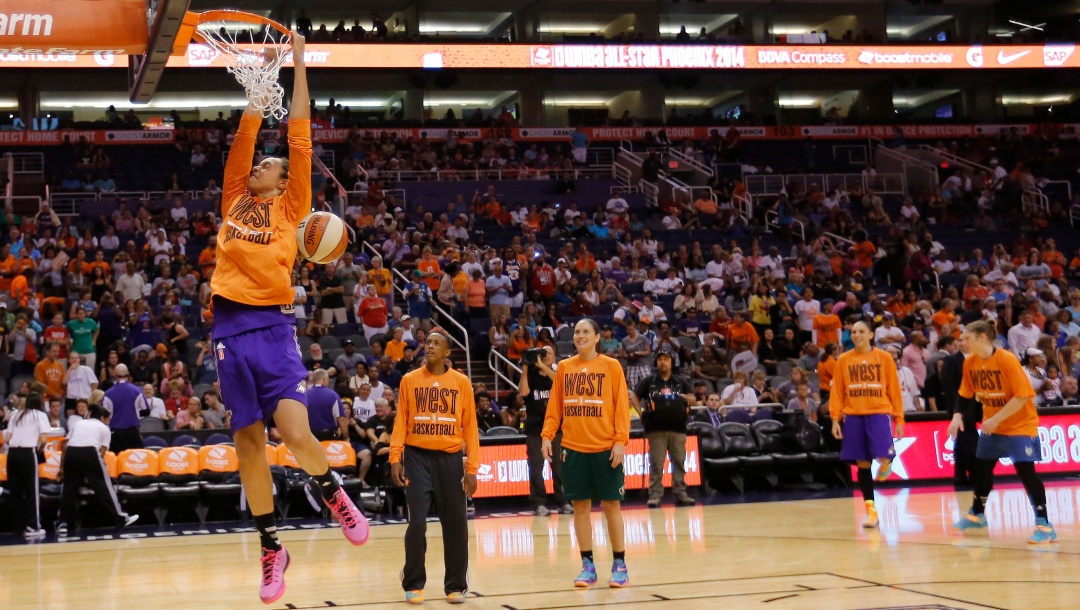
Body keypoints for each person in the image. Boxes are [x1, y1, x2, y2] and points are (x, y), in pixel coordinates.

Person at [210, 34, 367, 605]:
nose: (260, 165)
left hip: (274, 328)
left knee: (296, 432)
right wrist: (262, 73)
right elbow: (248, 131)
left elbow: (298, 133)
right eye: (260, 162)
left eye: (269, 164)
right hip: (227, 331)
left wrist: (297, 60)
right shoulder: (233, 195)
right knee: (249, 444)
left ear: (283, 179)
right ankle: (272, 549)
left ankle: (331, 490)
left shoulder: (293, 204)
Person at [389, 328, 479, 605]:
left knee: (456, 525)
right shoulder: (409, 380)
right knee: (416, 523)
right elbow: (401, 421)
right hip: (417, 458)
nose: (429, 346)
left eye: (436, 343)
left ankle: (455, 585)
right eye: (427, 342)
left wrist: (472, 469)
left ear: (447, 353)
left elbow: (470, 427)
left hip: (450, 459)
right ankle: (413, 581)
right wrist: (395, 457)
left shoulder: (461, 383)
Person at [949, 320, 1058, 543]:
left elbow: (1022, 396)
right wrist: (957, 416)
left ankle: (1044, 524)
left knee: (1026, 472)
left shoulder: (1006, 359)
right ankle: (977, 514)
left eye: (966, 337)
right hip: (993, 425)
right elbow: (965, 394)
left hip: (1019, 425)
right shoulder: (970, 363)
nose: (962, 341)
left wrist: (996, 418)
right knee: (982, 469)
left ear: (981, 338)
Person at [542, 318, 632, 589]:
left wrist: (620, 441)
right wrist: (547, 435)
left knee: (610, 506)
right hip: (573, 449)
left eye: (585, 332)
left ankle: (619, 564)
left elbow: (621, 407)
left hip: (605, 448)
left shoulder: (611, 366)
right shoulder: (565, 369)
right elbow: (554, 407)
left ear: (596, 338)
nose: (580, 335)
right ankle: (587, 565)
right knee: (580, 507)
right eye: (577, 332)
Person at [829, 320, 904, 529]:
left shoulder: (884, 358)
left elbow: (894, 391)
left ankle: (887, 462)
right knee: (862, 465)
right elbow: (836, 393)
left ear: (871, 334)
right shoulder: (843, 360)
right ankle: (871, 512)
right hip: (853, 416)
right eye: (853, 332)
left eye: (862, 331)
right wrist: (835, 418)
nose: (857, 335)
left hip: (878, 413)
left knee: (883, 453)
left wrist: (899, 418)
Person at [55, 403, 139, 535]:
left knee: (69, 488)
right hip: (90, 452)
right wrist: (93, 473)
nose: (108, 422)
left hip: (71, 453)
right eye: (107, 420)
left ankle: (63, 523)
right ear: (102, 417)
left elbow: (65, 445)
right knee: (104, 487)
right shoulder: (104, 428)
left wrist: (61, 468)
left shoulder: (79, 423)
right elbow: (102, 452)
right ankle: (121, 518)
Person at [632, 351, 697, 508]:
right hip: (655, 429)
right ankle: (655, 496)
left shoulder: (680, 381)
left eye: (666, 360)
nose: (663, 362)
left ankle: (680, 493)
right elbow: (634, 395)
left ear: (671, 363)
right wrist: (641, 412)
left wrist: (687, 399)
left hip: (678, 428)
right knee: (656, 464)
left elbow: (694, 399)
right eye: (660, 359)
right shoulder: (649, 381)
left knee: (679, 462)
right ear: (656, 363)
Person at [519, 345, 571, 516]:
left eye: (548, 354)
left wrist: (543, 366)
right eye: (542, 354)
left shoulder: (557, 375)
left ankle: (564, 501)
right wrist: (526, 366)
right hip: (535, 429)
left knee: (559, 466)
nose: (545, 356)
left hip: (556, 428)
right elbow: (523, 391)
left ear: (554, 357)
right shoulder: (531, 377)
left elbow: (561, 386)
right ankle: (539, 503)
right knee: (535, 466)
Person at [2, 391, 50, 538]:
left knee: (15, 491)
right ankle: (33, 526)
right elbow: (43, 439)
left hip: (12, 455)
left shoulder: (16, 415)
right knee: (31, 491)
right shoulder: (39, 415)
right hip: (28, 454)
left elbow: (7, 439)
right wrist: (38, 449)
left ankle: (18, 526)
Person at [101, 364, 144, 453]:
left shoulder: (108, 394)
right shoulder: (137, 391)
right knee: (136, 461)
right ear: (128, 374)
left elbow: (104, 413)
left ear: (115, 374)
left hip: (115, 433)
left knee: (116, 460)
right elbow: (145, 409)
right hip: (133, 431)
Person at [306, 369, 348, 441]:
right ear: (325, 380)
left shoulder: (305, 395)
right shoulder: (333, 395)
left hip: (310, 437)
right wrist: (346, 438)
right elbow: (342, 419)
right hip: (329, 437)